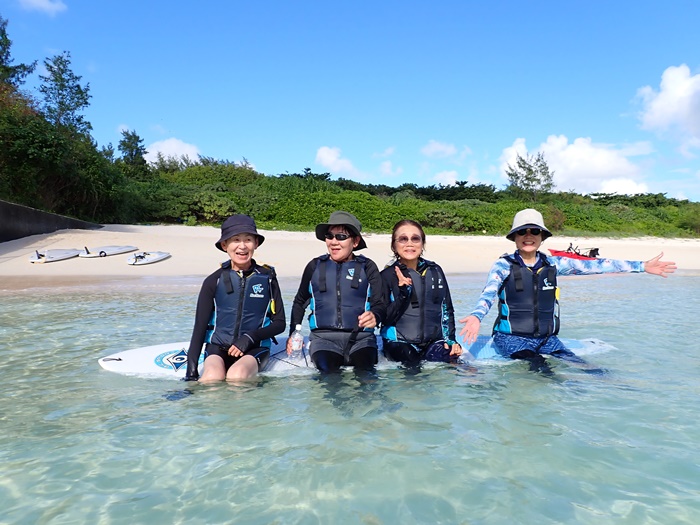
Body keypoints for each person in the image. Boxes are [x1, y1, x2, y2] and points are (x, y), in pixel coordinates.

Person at [459, 208, 677, 369]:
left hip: (548, 339)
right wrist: (477, 317)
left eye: (534, 231)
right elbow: (488, 294)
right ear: (514, 237)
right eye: (522, 232)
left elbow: (596, 265)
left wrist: (641, 266)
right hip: (512, 339)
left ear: (541, 237)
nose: (528, 236)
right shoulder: (504, 265)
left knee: (590, 369)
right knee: (542, 369)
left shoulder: (554, 264)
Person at [184, 214, 285, 382]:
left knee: (237, 376)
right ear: (224, 245)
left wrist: (249, 337)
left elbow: (279, 323)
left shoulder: (268, 278)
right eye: (236, 240)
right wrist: (191, 374)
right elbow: (200, 328)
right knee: (211, 377)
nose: (242, 246)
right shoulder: (213, 281)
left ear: (256, 244)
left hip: (254, 348)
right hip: (218, 347)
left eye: (248, 240)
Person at [286, 211, 386, 373]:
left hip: (361, 340)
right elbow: (299, 302)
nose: (333, 242)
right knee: (328, 375)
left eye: (340, 237)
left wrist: (376, 315)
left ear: (355, 241)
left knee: (366, 374)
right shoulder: (314, 266)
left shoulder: (368, 267)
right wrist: (293, 334)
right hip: (324, 341)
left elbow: (380, 303)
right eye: (329, 236)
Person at [380, 219, 463, 368]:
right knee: (412, 366)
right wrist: (404, 292)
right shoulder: (387, 276)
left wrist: (451, 341)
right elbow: (383, 317)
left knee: (456, 364)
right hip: (399, 343)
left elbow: (446, 309)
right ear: (394, 244)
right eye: (403, 239)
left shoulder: (435, 270)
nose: (409, 243)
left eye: (415, 238)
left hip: (433, 341)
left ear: (422, 243)